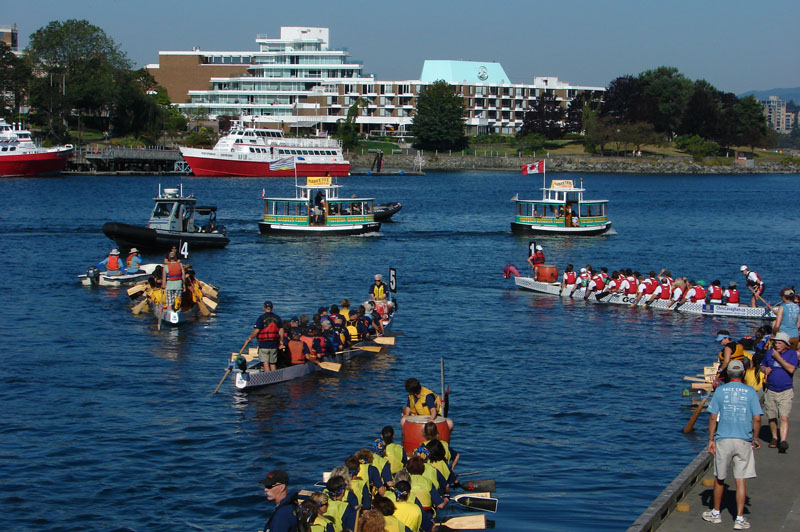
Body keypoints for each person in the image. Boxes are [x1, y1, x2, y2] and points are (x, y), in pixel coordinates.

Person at [702, 360, 762, 530]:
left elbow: (713, 417)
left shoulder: (720, 391)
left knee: (719, 478)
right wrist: (755, 438)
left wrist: (711, 439)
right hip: (744, 439)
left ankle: (715, 513)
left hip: (724, 439)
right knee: (740, 480)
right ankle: (739, 518)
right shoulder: (750, 392)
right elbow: (757, 418)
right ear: (743, 373)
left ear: (728, 374)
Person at [761, 331, 797, 452]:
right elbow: (762, 366)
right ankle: (774, 437)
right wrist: (764, 369)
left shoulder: (792, 354)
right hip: (771, 389)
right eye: (776, 342)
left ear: (786, 344)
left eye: (780, 343)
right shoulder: (769, 353)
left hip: (785, 390)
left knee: (783, 416)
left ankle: (783, 441)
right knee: (771, 416)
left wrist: (778, 358)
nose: (777, 345)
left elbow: (791, 369)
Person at [241, 301, 284, 372]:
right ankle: (274, 376)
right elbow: (281, 330)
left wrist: (250, 338)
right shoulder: (277, 318)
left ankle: (268, 377)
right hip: (273, 345)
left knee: (265, 363)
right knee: (272, 363)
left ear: (263, 308)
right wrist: (281, 341)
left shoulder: (261, 318)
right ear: (272, 308)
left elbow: (256, 330)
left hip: (264, 345)